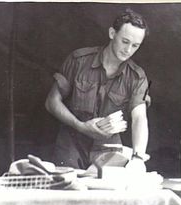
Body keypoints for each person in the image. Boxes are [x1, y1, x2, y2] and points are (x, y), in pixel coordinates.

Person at [45, 9, 150, 171]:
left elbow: (139, 118)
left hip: (109, 148)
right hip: (71, 144)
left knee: (108, 193)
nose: (128, 50)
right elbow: (51, 102)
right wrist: (80, 125)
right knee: (67, 191)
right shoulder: (78, 60)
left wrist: (138, 157)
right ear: (112, 33)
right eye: (125, 41)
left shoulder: (138, 77)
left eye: (135, 45)